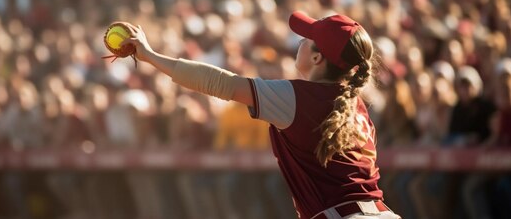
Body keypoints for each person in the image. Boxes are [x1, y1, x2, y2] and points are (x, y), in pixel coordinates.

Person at [121, 11, 400, 219]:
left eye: (307, 39)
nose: (300, 41)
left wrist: (152, 56)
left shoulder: (298, 97)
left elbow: (219, 83)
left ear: (317, 59)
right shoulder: (356, 104)